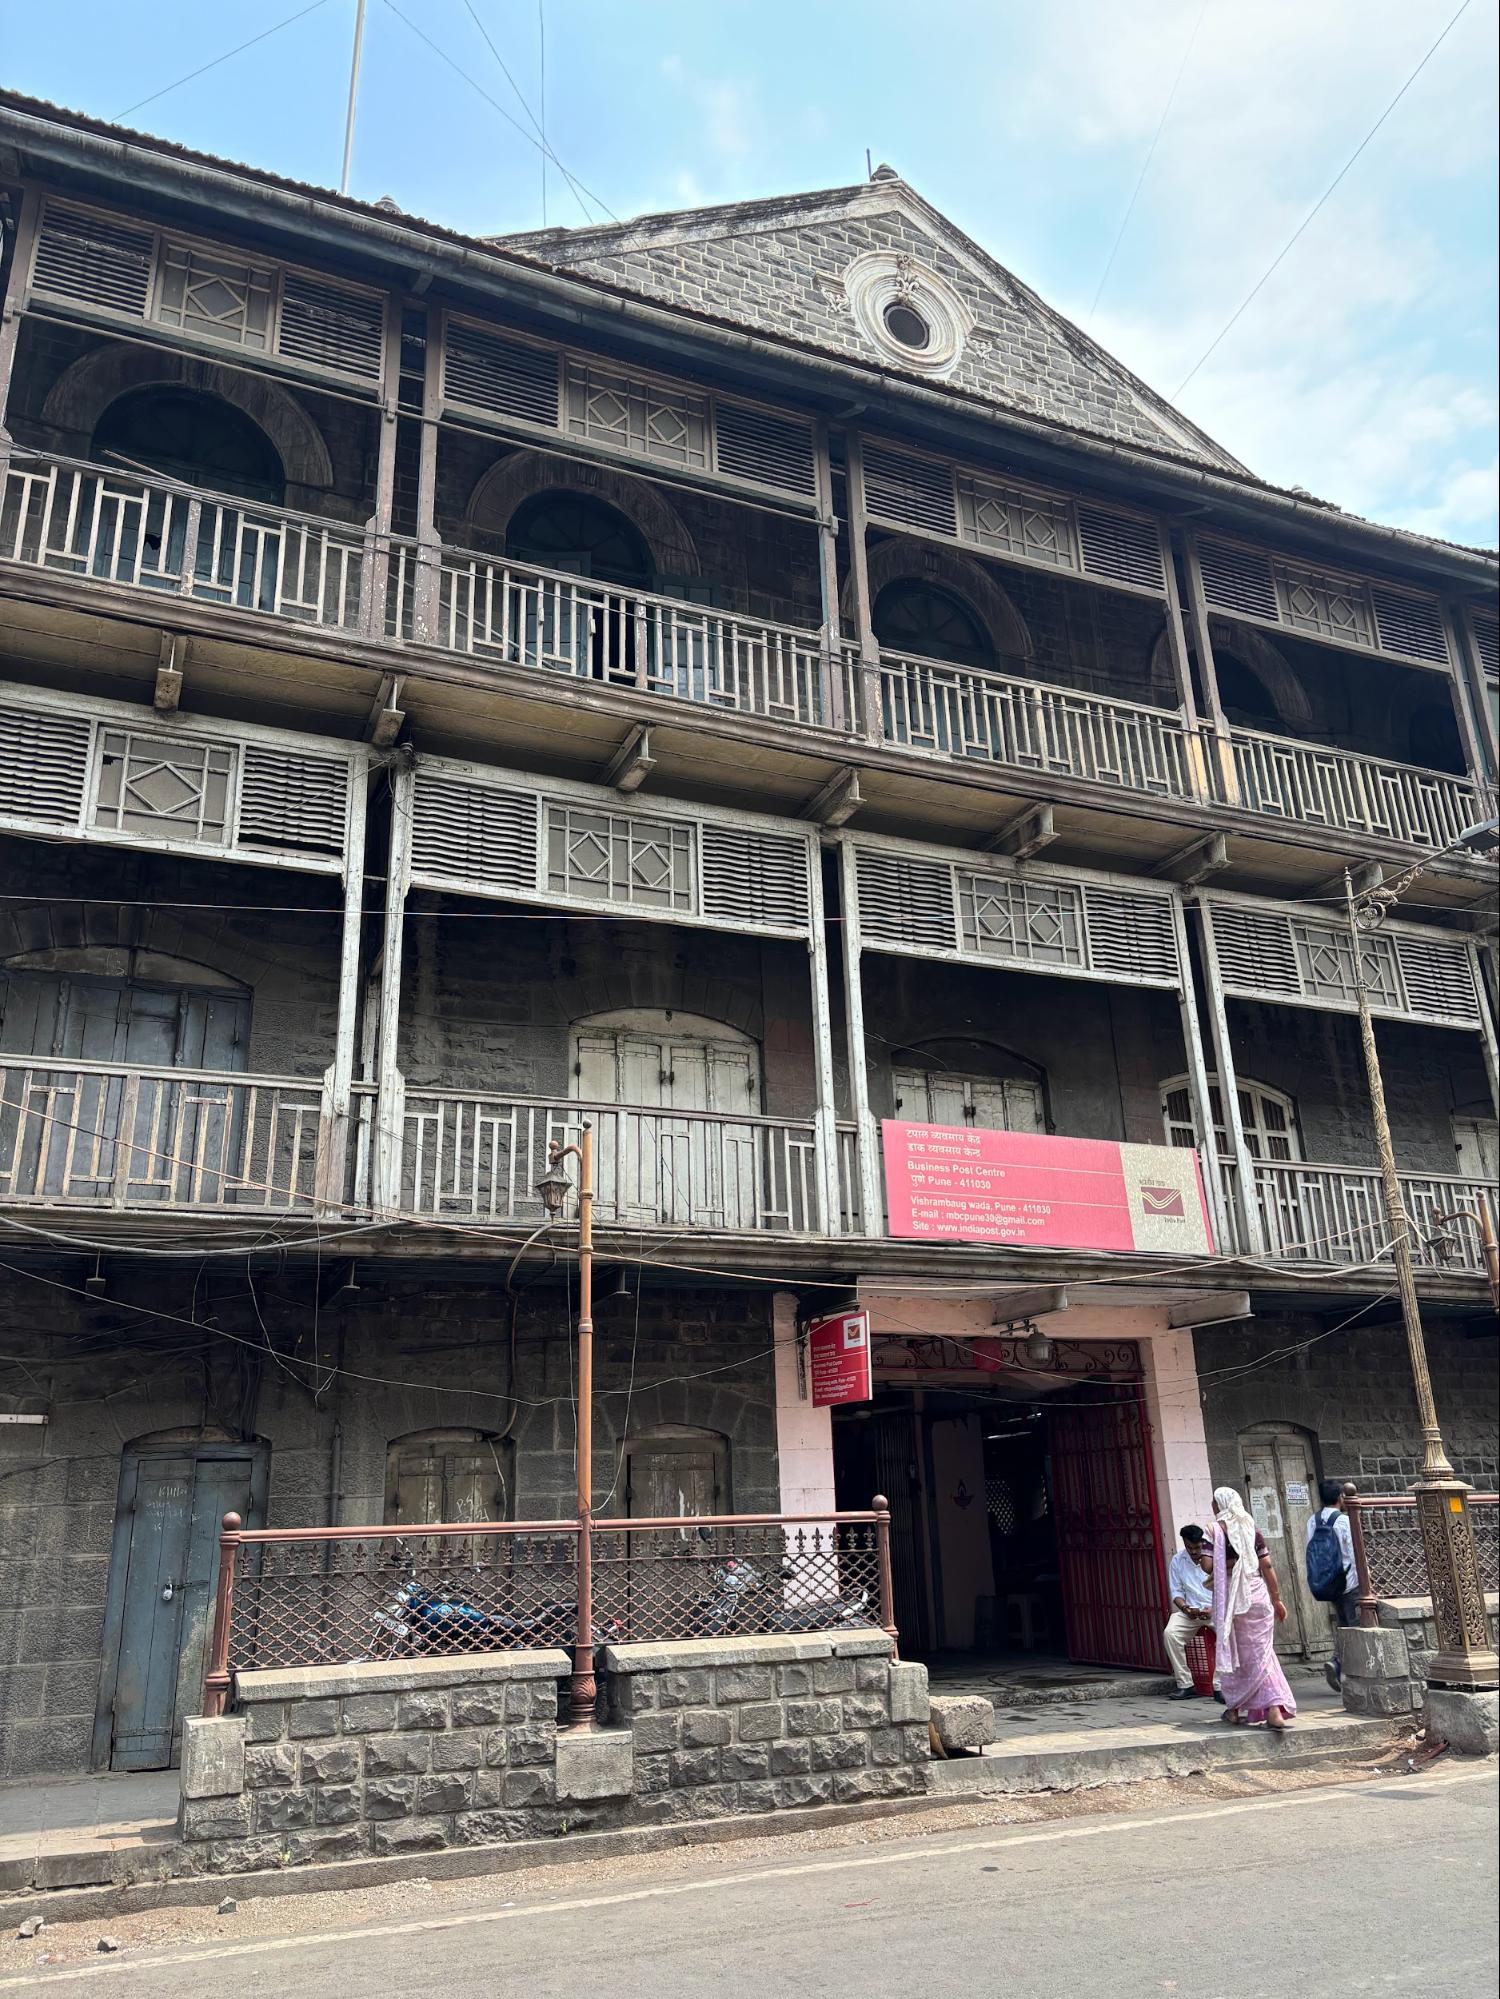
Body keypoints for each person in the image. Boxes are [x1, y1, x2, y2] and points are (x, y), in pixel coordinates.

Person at [1211, 1485, 1297, 1730]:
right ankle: (1271, 1710)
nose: (1212, 1506)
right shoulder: (1251, 1529)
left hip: (1232, 1599)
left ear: (1219, 1505)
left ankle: (1236, 1708)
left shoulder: (1216, 1531)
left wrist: (1231, 1563)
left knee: (1236, 1653)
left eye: (1214, 1502)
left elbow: (1208, 1566)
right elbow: (1267, 1565)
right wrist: (1277, 1598)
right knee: (1262, 1654)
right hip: (1257, 1595)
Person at [1305, 1477, 1360, 1691]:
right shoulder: (1344, 1521)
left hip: (1328, 1583)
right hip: (1349, 1582)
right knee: (1355, 1628)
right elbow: (1354, 1553)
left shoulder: (1313, 1520)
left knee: (1342, 1625)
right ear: (1340, 1497)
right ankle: (1344, 1666)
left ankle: (1338, 1662)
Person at [1163, 1525, 1223, 1700]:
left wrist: (1213, 1608)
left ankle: (1219, 1686)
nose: (1194, 1552)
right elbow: (1176, 1592)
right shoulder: (1178, 1560)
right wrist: (1185, 1608)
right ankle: (1186, 1684)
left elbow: (1225, 1588)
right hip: (1191, 1612)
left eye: (1197, 1548)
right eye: (1190, 1548)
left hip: (1215, 1610)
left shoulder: (1215, 1558)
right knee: (1170, 1633)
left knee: (1227, 1635)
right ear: (1184, 1543)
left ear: (1203, 1543)